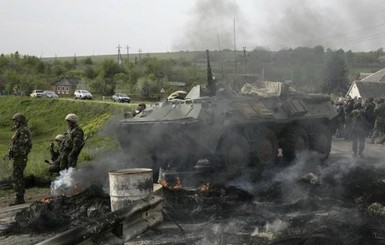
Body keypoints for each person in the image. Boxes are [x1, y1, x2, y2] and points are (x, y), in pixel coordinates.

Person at [8, 113, 32, 206]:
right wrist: (11, 150)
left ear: (21, 121)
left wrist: (13, 148)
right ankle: (19, 196)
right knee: (18, 176)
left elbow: (23, 142)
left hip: (21, 157)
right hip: (18, 156)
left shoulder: (24, 130)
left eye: (16, 121)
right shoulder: (19, 130)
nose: (15, 122)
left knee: (17, 176)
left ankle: (19, 197)